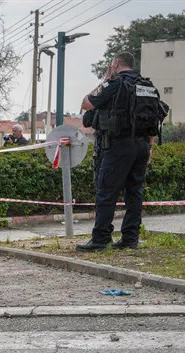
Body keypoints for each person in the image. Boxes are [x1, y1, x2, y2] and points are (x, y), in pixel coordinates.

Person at [76, 51, 163, 252]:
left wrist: (105, 80)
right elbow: (153, 118)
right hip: (142, 146)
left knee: (106, 191)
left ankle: (100, 239)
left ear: (116, 63)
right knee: (134, 192)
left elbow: (86, 103)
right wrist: (149, 147)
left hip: (118, 146)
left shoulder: (114, 84)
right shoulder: (147, 86)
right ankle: (130, 239)